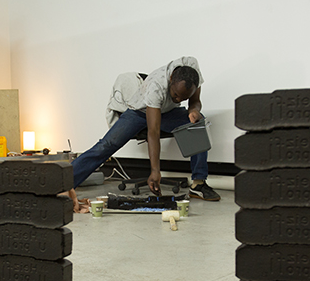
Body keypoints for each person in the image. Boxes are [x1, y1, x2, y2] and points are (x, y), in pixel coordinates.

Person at [68, 57, 220, 211]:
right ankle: (64, 182)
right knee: (107, 145)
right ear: (171, 79)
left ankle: (198, 184)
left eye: (183, 98)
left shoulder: (192, 70)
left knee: (197, 125)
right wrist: (155, 171)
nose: (178, 99)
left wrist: (194, 110)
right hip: (138, 112)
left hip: (167, 113)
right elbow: (153, 131)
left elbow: (195, 101)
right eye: (175, 95)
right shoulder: (157, 86)